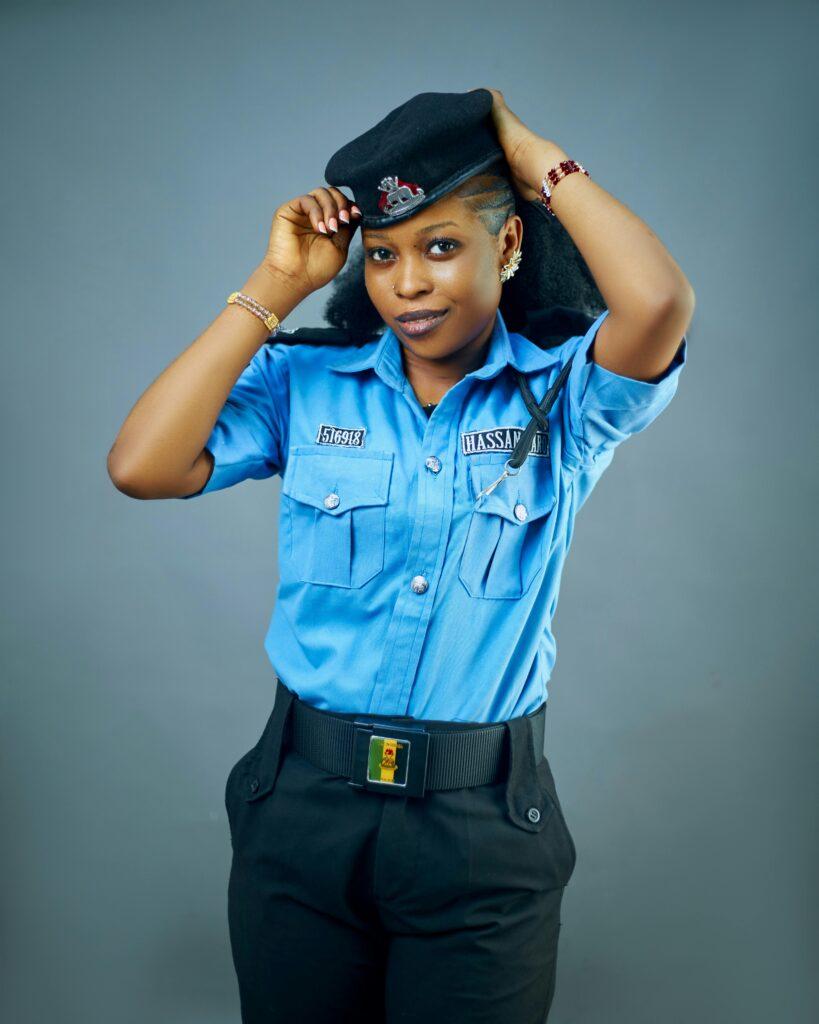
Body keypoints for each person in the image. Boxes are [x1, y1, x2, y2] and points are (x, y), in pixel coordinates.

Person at [107, 87, 693, 1023]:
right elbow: (142, 466)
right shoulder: (305, 383)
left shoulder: (565, 396)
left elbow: (659, 300)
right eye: (382, 255)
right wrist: (271, 291)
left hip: (480, 833)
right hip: (302, 811)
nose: (407, 283)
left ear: (506, 246)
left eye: (441, 246)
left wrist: (533, 155)